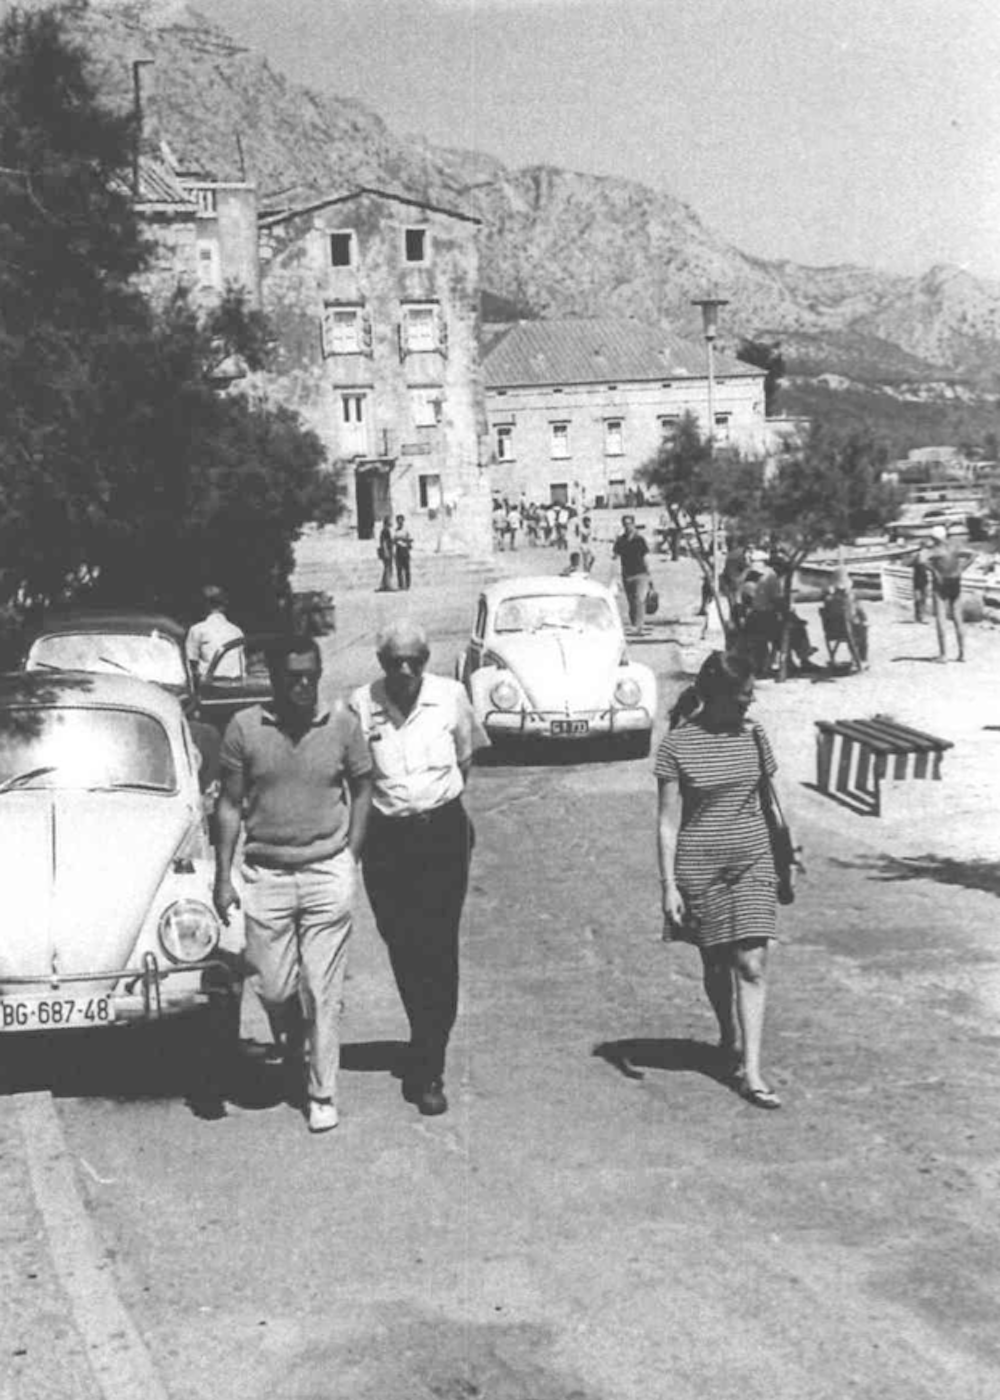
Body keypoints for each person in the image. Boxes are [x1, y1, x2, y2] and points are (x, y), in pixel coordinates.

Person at [213, 637, 374, 1133]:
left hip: (327, 870)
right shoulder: (245, 728)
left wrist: (351, 854)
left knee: (321, 989)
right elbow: (228, 803)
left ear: (319, 674)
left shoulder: (343, 725)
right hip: (266, 874)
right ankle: (293, 1047)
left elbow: (364, 786)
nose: (302, 685)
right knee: (275, 985)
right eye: (292, 677)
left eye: (309, 675)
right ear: (275, 680)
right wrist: (224, 875)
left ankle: (321, 1092)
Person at [350, 622, 488, 1117]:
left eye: (414, 660)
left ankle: (430, 1062)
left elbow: (465, 760)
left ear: (426, 659)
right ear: (381, 663)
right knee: (402, 944)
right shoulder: (360, 704)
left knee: (438, 943)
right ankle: (421, 1032)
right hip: (387, 841)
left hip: (441, 833)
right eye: (394, 662)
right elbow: (356, 778)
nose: (404, 670)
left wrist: (437, 809)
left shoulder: (450, 697)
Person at [655, 651, 784, 1109]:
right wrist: (669, 885)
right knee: (715, 965)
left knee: (751, 964)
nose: (751, 703)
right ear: (718, 697)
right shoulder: (677, 746)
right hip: (699, 869)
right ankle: (727, 1033)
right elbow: (669, 823)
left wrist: (787, 850)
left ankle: (750, 1071)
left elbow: (770, 802)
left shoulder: (754, 735)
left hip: (752, 862)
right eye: (744, 695)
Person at [927, 525, 973, 661]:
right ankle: (962, 654)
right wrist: (961, 568)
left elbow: (921, 560)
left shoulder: (935, 550)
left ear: (934, 538)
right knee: (958, 617)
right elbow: (974, 554)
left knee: (941, 618)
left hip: (941, 582)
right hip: (955, 580)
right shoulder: (955, 547)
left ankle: (943, 654)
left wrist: (934, 571)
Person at [186, 585, 244, 683]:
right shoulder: (236, 631)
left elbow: (190, 663)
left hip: (211, 686)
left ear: (203, 605)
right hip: (237, 683)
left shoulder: (197, 629)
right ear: (224, 605)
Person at [612, 514, 652, 634]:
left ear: (633, 524)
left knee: (639, 600)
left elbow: (645, 557)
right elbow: (615, 556)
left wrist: (649, 573)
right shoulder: (621, 540)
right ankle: (635, 623)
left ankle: (638, 626)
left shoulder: (640, 540)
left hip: (641, 574)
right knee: (631, 602)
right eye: (625, 524)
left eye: (629, 523)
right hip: (627, 574)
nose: (627, 526)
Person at [393, 514, 413, 591]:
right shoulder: (395, 530)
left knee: (407, 568)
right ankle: (400, 584)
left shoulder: (406, 530)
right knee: (399, 568)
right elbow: (394, 540)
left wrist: (405, 541)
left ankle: (407, 584)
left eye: (401, 520)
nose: (399, 522)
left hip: (405, 549)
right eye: (398, 520)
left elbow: (410, 539)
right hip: (398, 549)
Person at [911, 544, 930, 624]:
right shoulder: (918, 557)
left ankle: (920, 617)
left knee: (921, 599)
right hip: (919, 580)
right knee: (919, 599)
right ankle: (919, 616)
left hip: (921, 579)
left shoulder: (924, 557)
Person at [377, 516, 395, 591]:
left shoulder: (385, 530)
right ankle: (388, 585)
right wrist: (386, 551)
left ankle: (383, 584)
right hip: (386, 551)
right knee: (388, 568)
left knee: (386, 568)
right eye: (390, 521)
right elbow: (384, 542)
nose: (392, 522)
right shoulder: (385, 531)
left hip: (388, 551)